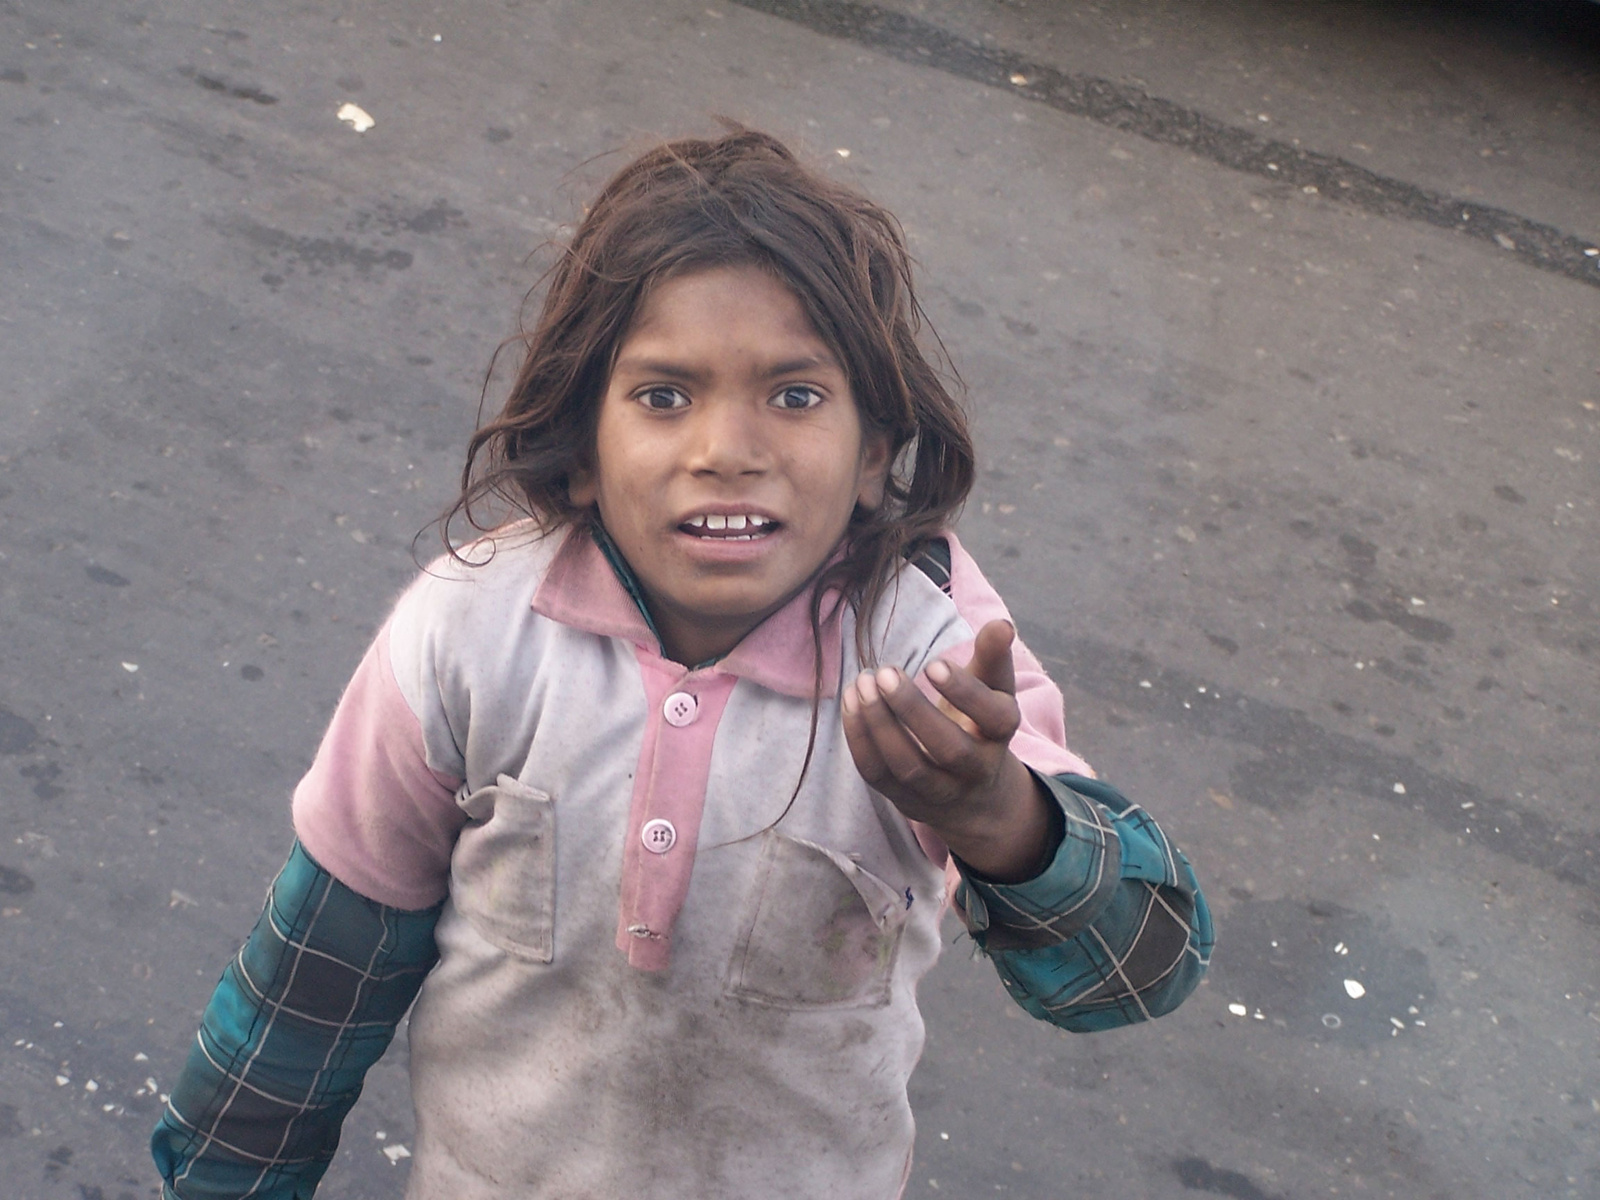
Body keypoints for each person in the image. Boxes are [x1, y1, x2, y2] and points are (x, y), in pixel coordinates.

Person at [151, 128, 1212, 1200]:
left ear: (875, 452)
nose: (726, 448)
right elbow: (315, 988)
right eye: (664, 396)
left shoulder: (931, 658)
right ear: (577, 451)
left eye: (795, 396)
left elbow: (1137, 971)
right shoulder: (469, 633)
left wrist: (997, 817)